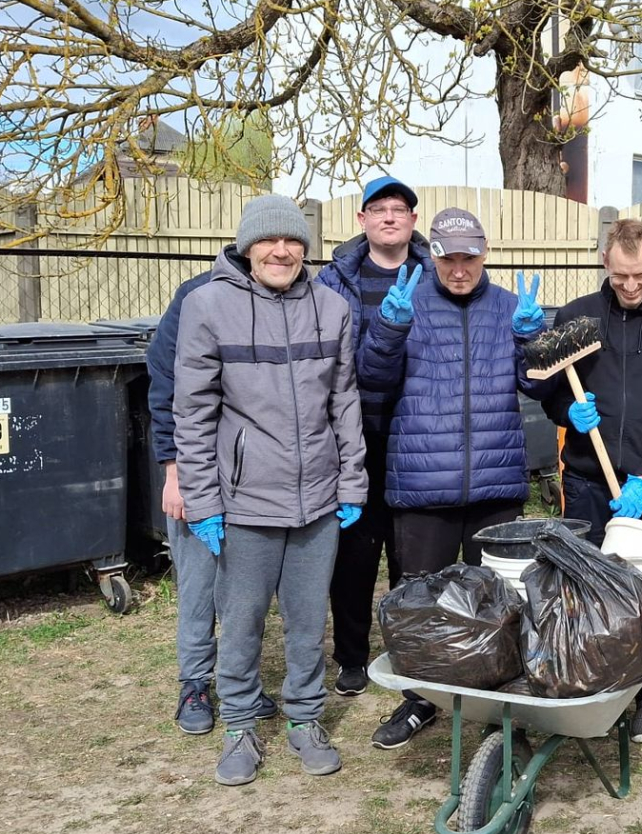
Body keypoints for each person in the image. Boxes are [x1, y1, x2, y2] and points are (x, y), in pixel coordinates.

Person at [173, 194, 369, 786]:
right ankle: (237, 727)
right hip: (245, 501)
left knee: (309, 623)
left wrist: (352, 482)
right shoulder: (206, 307)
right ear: (247, 247)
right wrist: (204, 501)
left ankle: (306, 720)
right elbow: (194, 410)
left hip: (317, 501)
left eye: (292, 242)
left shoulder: (331, 309)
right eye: (269, 242)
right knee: (243, 620)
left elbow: (345, 403)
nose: (281, 252)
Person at [360, 207, 547, 749]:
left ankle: (502, 708)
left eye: (469, 257)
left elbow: (536, 387)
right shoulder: (407, 306)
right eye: (448, 257)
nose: (459, 269)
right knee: (423, 605)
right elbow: (372, 380)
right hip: (422, 484)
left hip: (495, 482)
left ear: (484, 254)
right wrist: (389, 329)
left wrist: (531, 344)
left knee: (503, 603)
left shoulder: (511, 308)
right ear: (433, 254)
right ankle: (420, 701)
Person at [541, 217, 642, 744]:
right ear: (604, 264)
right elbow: (549, 392)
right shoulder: (578, 317)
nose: (631, 286)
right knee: (584, 594)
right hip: (587, 480)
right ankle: (591, 686)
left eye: (640, 275)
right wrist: (569, 412)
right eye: (620, 277)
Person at [315, 175, 436, 697]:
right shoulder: (333, 280)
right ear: (362, 221)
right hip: (354, 438)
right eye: (379, 209)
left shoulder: (436, 275)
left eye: (400, 209)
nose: (390, 216)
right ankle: (352, 657)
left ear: (413, 221)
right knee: (355, 555)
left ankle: (409, 652)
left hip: (416, 435)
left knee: (413, 558)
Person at [150, 276, 277, 736]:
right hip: (197, 471)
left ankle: (239, 680)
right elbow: (165, 386)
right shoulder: (196, 295)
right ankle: (195, 684)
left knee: (246, 592)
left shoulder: (284, 299)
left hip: (254, 479)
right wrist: (174, 474)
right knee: (200, 586)